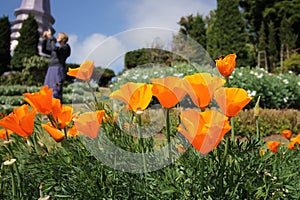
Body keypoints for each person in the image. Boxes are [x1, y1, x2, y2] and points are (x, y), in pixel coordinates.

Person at [42, 29, 71, 102]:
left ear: (64, 39)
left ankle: (57, 108)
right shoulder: (57, 49)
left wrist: (51, 37)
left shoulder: (66, 47)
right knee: (47, 88)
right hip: (51, 68)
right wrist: (45, 39)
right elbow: (44, 50)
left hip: (58, 69)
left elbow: (54, 49)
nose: (57, 37)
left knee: (56, 90)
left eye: (59, 36)